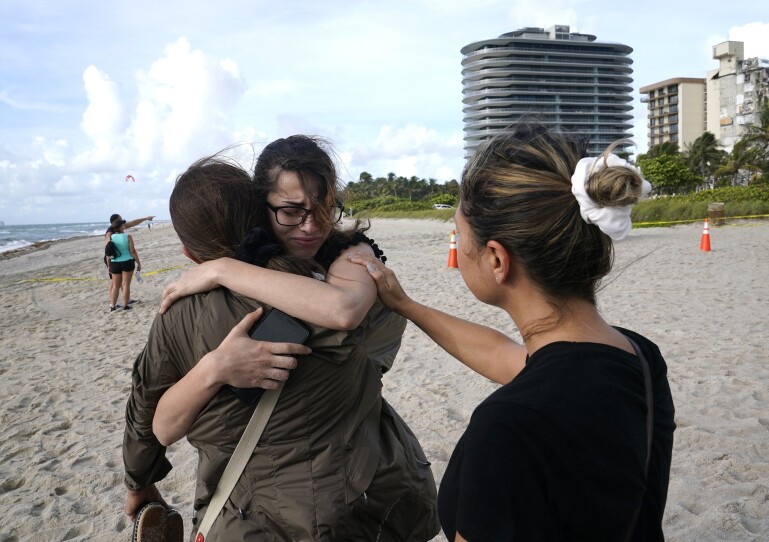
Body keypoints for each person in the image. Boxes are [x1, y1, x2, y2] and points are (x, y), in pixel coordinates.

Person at [349, 123, 676, 541]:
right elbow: (511, 358)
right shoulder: (639, 358)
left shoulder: (507, 427)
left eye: (460, 235)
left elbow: (531, 384)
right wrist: (407, 306)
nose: (458, 246)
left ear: (497, 260)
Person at [123, 151, 439, 540]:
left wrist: (139, 484)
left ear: (189, 254)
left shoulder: (176, 313)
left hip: (248, 518)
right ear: (263, 214)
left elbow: (148, 412)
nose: (309, 226)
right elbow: (373, 344)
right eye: (292, 212)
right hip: (370, 502)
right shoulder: (341, 278)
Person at [106, 218, 141, 311]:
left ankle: (112, 306)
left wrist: (109, 265)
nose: (124, 226)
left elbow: (108, 252)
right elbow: (132, 251)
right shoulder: (128, 237)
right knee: (126, 285)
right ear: (120, 227)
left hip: (114, 263)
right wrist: (138, 262)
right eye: (122, 224)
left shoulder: (111, 237)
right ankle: (125, 306)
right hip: (127, 262)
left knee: (115, 286)